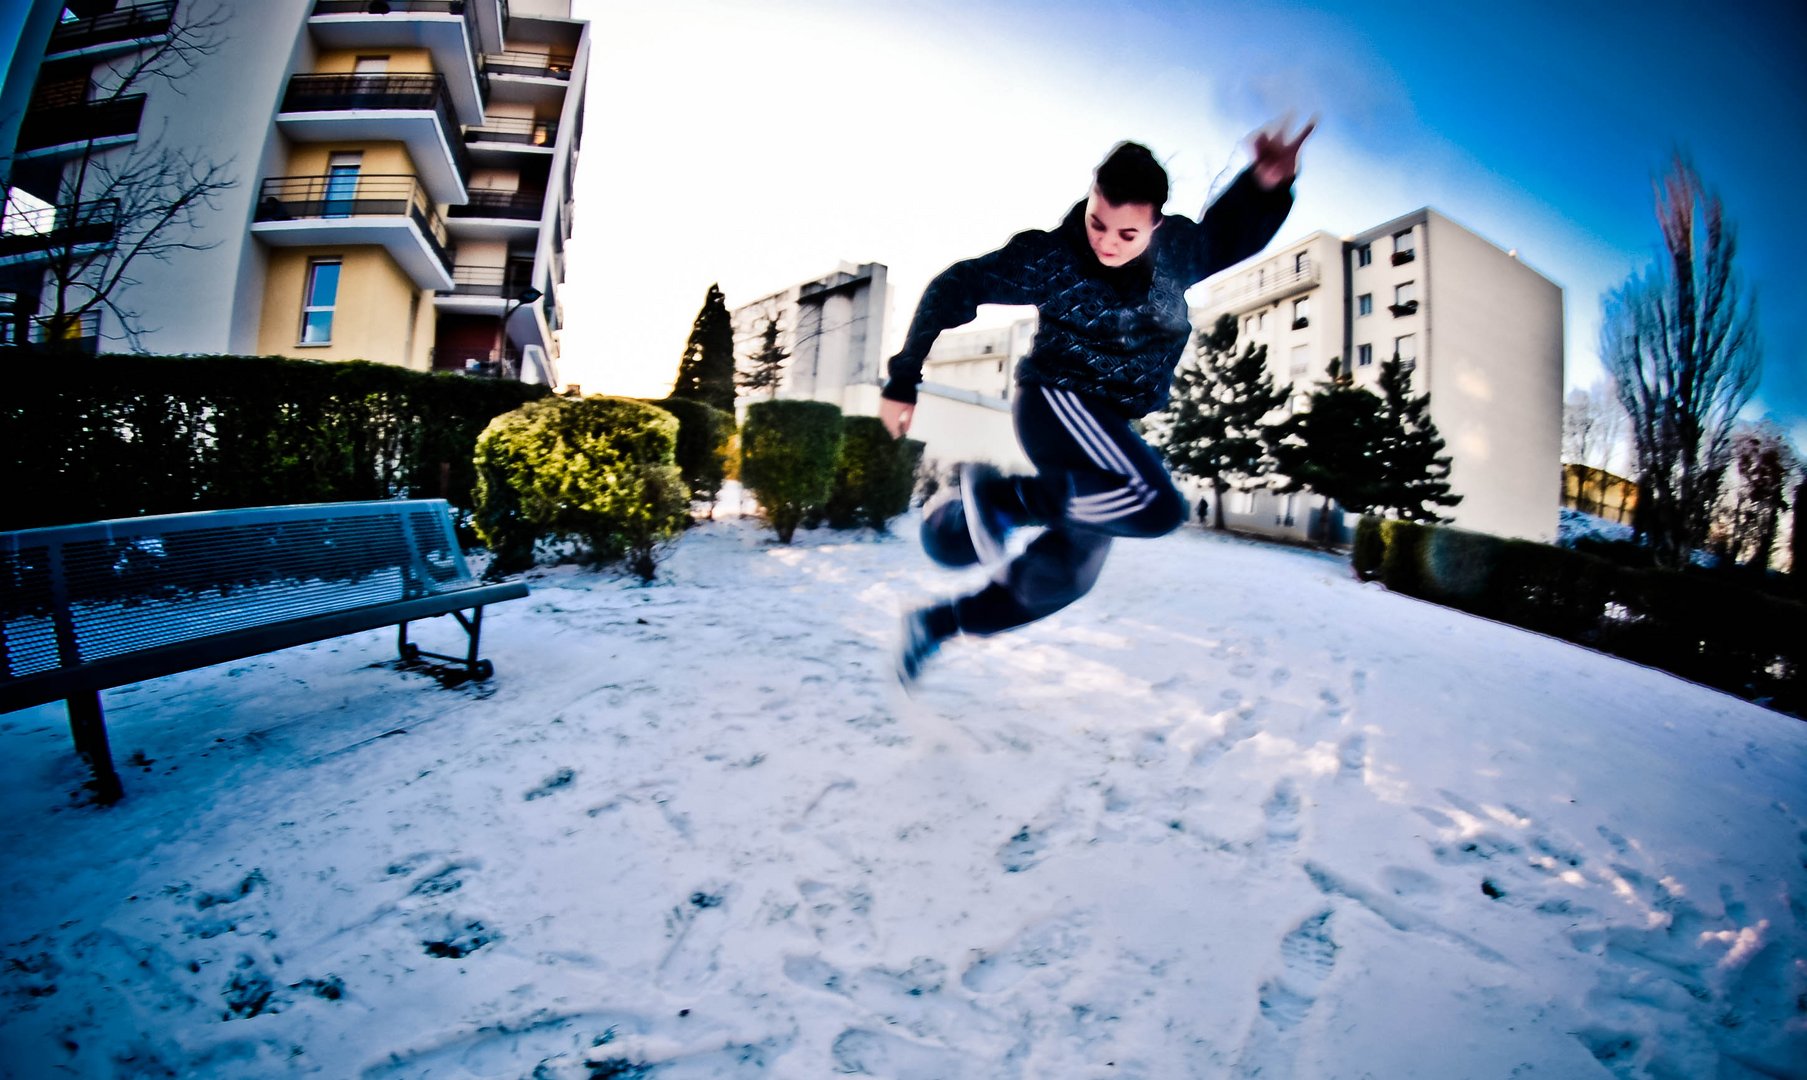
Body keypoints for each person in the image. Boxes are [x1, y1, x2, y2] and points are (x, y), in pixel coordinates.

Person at [881, 119, 1314, 687]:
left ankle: (937, 624)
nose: (1105, 242)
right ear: (1089, 199)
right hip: (1057, 400)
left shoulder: (1178, 253)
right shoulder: (1051, 258)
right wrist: (903, 378)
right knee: (1156, 508)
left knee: (1065, 576)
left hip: (1106, 424)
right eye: (1097, 223)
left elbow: (1228, 234)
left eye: (1125, 235)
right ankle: (1004, 499)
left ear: (1154, 225)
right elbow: (954, 285)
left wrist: (1266, 183)